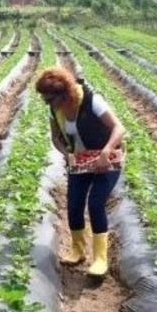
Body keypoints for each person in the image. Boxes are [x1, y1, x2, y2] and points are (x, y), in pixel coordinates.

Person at [35, 67, 126, 277]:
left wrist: (106, 152)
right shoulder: (55, 110)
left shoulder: (92, 101)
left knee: (95, 203)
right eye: (44, 99)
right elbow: (56, 137)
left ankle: (100, 259)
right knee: (74, 204)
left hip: (106, 160)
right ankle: (77, 251)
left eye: (49, 99)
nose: (47, 103)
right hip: (80, 161)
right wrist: (65, 153)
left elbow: (119, 128)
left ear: (64, 93)